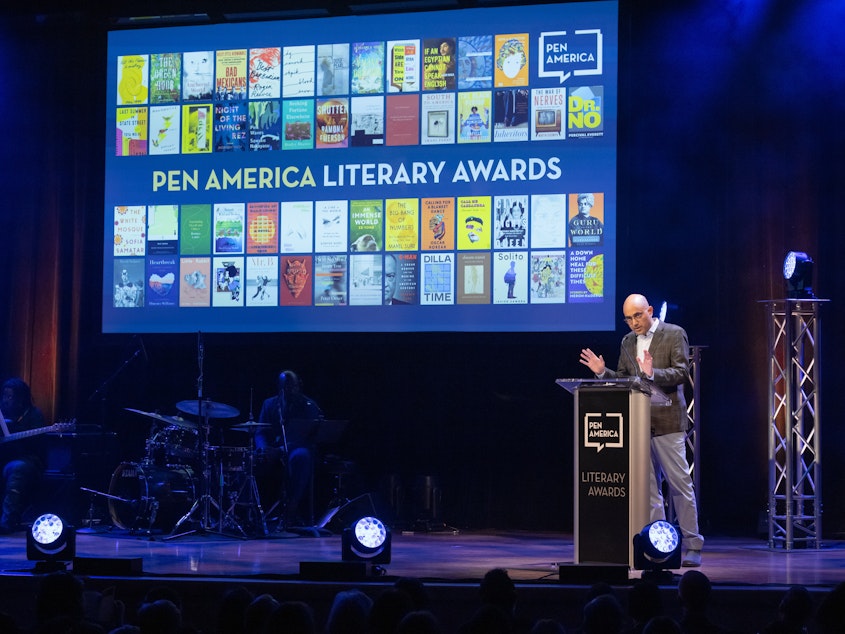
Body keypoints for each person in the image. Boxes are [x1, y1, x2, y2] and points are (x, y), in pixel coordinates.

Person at [579, 293, 704, 567]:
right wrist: (603, 373)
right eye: (628, 318)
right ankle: (658, 546)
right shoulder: (627, 342)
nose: (633, 323)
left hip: (667, 422)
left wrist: (652, 374)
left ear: (649, 310)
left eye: (637, 315)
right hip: (637, 424)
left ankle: (693, 545)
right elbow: (626, 379)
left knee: (680, 485)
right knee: (649, 491)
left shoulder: (674, 334)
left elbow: (682, 372)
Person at [257, 370, 324, 528]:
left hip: (295, 448)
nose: (289, 390)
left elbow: (304, 437)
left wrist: (280, 450)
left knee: (301, 456)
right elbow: (260, 431)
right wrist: (262, 448)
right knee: (250, 460)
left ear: (299, 385)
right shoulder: (269, 404)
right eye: (285, 387)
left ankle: (292, 507)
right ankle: (252, 514)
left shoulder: (308, 405)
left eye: (292, 386)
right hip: (272, 449)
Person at [0, 377, 47, 534]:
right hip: (5, 460)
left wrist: (15, 432)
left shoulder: (34, 416)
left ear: (20, 399)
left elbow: (36, 447)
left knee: (18, 469)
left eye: (10, 397)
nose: (5, 401)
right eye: (4, 396)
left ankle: (7, 522)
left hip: (29, 462)